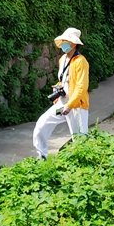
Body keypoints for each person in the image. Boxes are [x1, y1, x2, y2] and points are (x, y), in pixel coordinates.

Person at [32, 27, 90, 159]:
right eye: (63, 40)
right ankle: (42, 157)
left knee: (80, 139)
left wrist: (70, 105)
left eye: (67, 41)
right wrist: (58, 87)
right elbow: (63, 80)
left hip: (76, 107)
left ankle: (82, 167)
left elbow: (81, 86)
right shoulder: (63, 59)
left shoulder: (81, 62)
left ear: (74, 44)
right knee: (41, 125)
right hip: (62, 104)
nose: (64, 43)